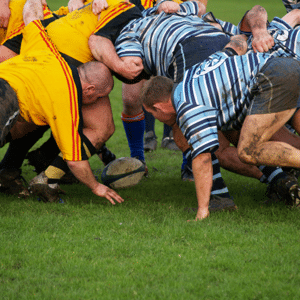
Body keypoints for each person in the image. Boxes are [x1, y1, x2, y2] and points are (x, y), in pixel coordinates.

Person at [140, 29, 300, 220]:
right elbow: (235, 47)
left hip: (273, 78)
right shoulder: (194, 72)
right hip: (286, 64)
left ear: (159, 107)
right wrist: (240, 36)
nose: (157, 120)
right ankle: (281, 179)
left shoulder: (186, 103)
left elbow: (203, 158)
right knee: (250, 139)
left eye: (152, 114)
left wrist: (202, 210)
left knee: (248, 150)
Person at [0, 0, 145, 197]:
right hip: (71, 57)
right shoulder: (131, 8)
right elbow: (97, 40)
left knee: (37, 111)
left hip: (47, 43)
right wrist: (120, 68)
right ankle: (47, 177)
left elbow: (32, 17)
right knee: (101, 127)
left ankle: (10, 169)